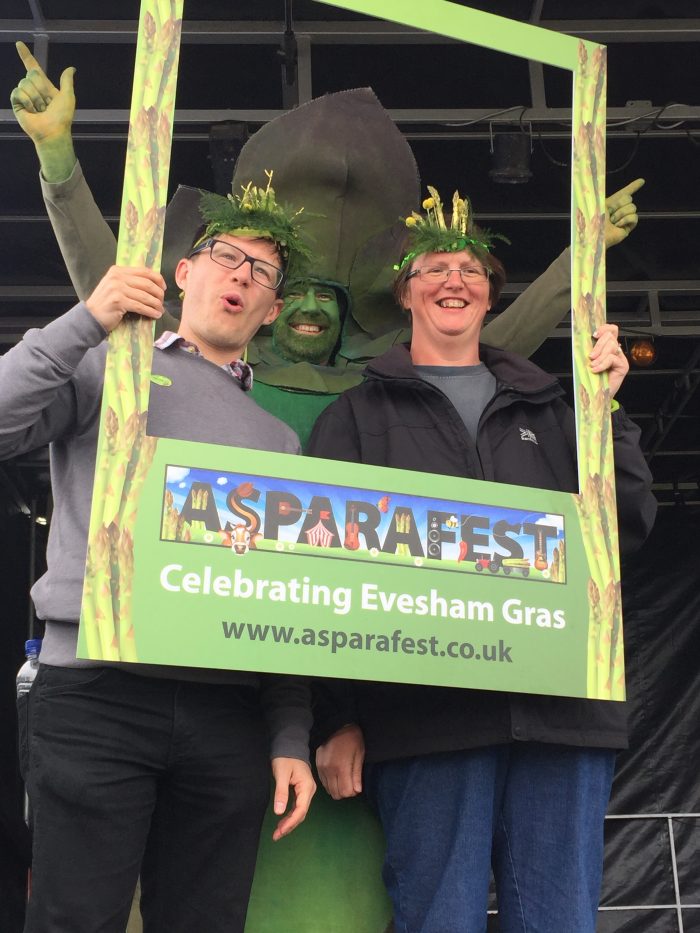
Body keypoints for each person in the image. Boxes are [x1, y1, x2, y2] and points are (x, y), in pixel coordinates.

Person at [307, 187, 657, 932]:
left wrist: (610, 410)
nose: (453, 278)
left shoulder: (558, 406)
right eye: (434, 266)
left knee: (560, 919)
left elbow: (627, 523)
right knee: (439, 918)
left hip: (565, 713)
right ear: (406, 292)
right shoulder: (354, 417)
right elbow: (325, 576)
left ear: (491, 295)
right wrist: (337, 715)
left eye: (470, 266)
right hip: (429, 718)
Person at [10, 41, 644, 447]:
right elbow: (110, 281)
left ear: (354, 319)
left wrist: (584, 257)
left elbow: (496, 342)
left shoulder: (388, 382)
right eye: (297, 291)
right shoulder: (189, 362)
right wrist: (58, 158)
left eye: (328, 299)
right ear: (271, 309)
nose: (313, 309)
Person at [0, 173, 316, 932]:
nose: (241, 275)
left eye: (262, 271)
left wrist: (289, 732)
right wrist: (87, 319)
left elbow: (288, 601)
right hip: (93, 690)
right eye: (225, 255)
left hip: (225, 710)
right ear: (183, 272)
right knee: (76, 918)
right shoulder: (111, 363)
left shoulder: (280, 441)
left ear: (272, 309)